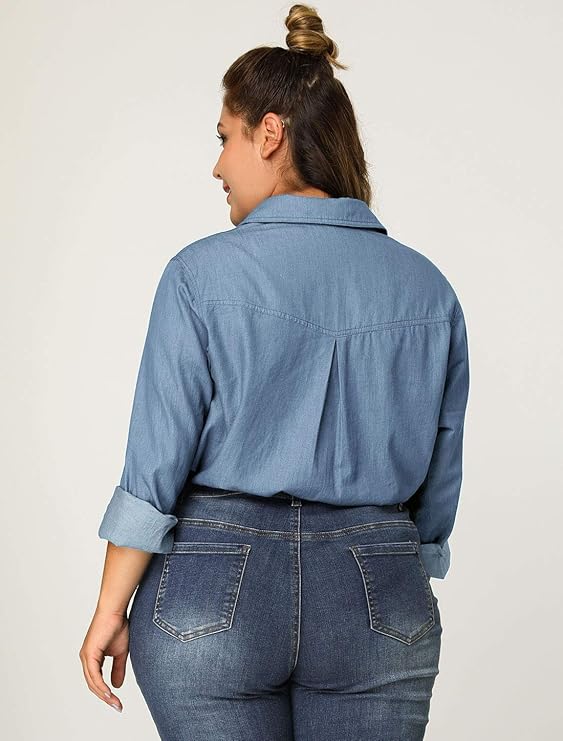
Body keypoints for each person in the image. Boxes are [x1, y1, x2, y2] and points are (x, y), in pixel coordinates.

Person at [79, 4, 470, 739]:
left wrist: (109, 608)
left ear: (269, 132)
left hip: (211, 588)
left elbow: (155, 464)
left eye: (224, 137)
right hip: (377, 584)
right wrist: (398, 569)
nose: (217, 165)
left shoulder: (198, 276)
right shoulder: (428, 290)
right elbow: (437, 478)